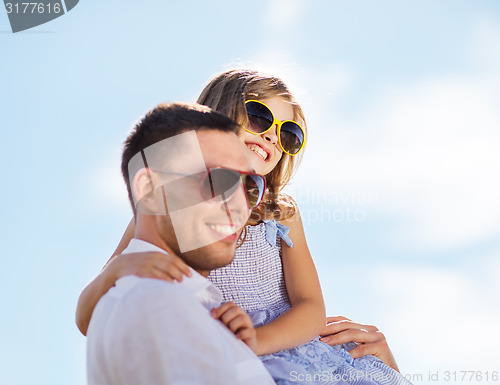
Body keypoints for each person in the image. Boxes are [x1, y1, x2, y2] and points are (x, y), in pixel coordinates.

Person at [78, 70, 411, 385]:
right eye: (260, 117)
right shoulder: (166, 206)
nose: (271, 135)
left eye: (289, 134)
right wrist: (116, 270)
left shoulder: (281, 214)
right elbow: (87, 316)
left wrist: (254, 341)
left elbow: (310, 307)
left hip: (280, 348)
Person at [86, 102, 275, 385]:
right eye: (218, 180)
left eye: (250, 188)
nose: (240, 207)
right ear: (149, 190)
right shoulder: (155, 301)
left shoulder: (200, 313)